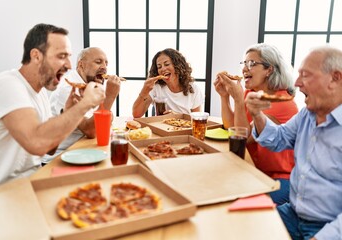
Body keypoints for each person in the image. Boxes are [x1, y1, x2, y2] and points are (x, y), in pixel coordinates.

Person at [0, 23, 105, 192]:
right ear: (36, 56)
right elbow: (37, 143)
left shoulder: (40, 93)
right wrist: (84, 105)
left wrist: (69, 112)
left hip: (31, 182)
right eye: (61, 56)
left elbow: (50, 146)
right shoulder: (7, 85)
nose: (69, 65)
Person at [245, 45, 342, 239]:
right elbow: (278, 139)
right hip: (292, 213)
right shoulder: (307, 114)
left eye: (305, 75)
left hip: (325, 227)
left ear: (335, 78)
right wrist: (257, 114)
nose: (297, 83)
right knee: (240, 227)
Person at [213, 43, 298, 205]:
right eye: (244, 63)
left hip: (279, 180)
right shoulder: (251, 93)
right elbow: (230, 127)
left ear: (269, 70)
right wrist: (224, 97)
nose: (245, 69)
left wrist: (238, 99)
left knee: (232, 203)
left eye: (251, 63)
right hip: (254, 170)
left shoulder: (281, 102)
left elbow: (243, 137)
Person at [42, 47, 121, 164]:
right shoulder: (69, 89)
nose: (104, 67)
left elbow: (105, 120)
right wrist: (110, 96)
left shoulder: (91, 85)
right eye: (98, 62)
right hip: (60, 158)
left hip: (84, 150)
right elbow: (91, 131)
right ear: (81, 65)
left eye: (106, 63)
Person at [132, 48, 204, 117]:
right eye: (159, 67)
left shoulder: (193, 89)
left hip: (185, 129)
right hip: (160, 128)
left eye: (167, 64)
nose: (163, 69)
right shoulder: (156, 87)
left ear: (178, 65)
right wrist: (144, 91)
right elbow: (136, 114)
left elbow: (197, 119)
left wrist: (176, 117)